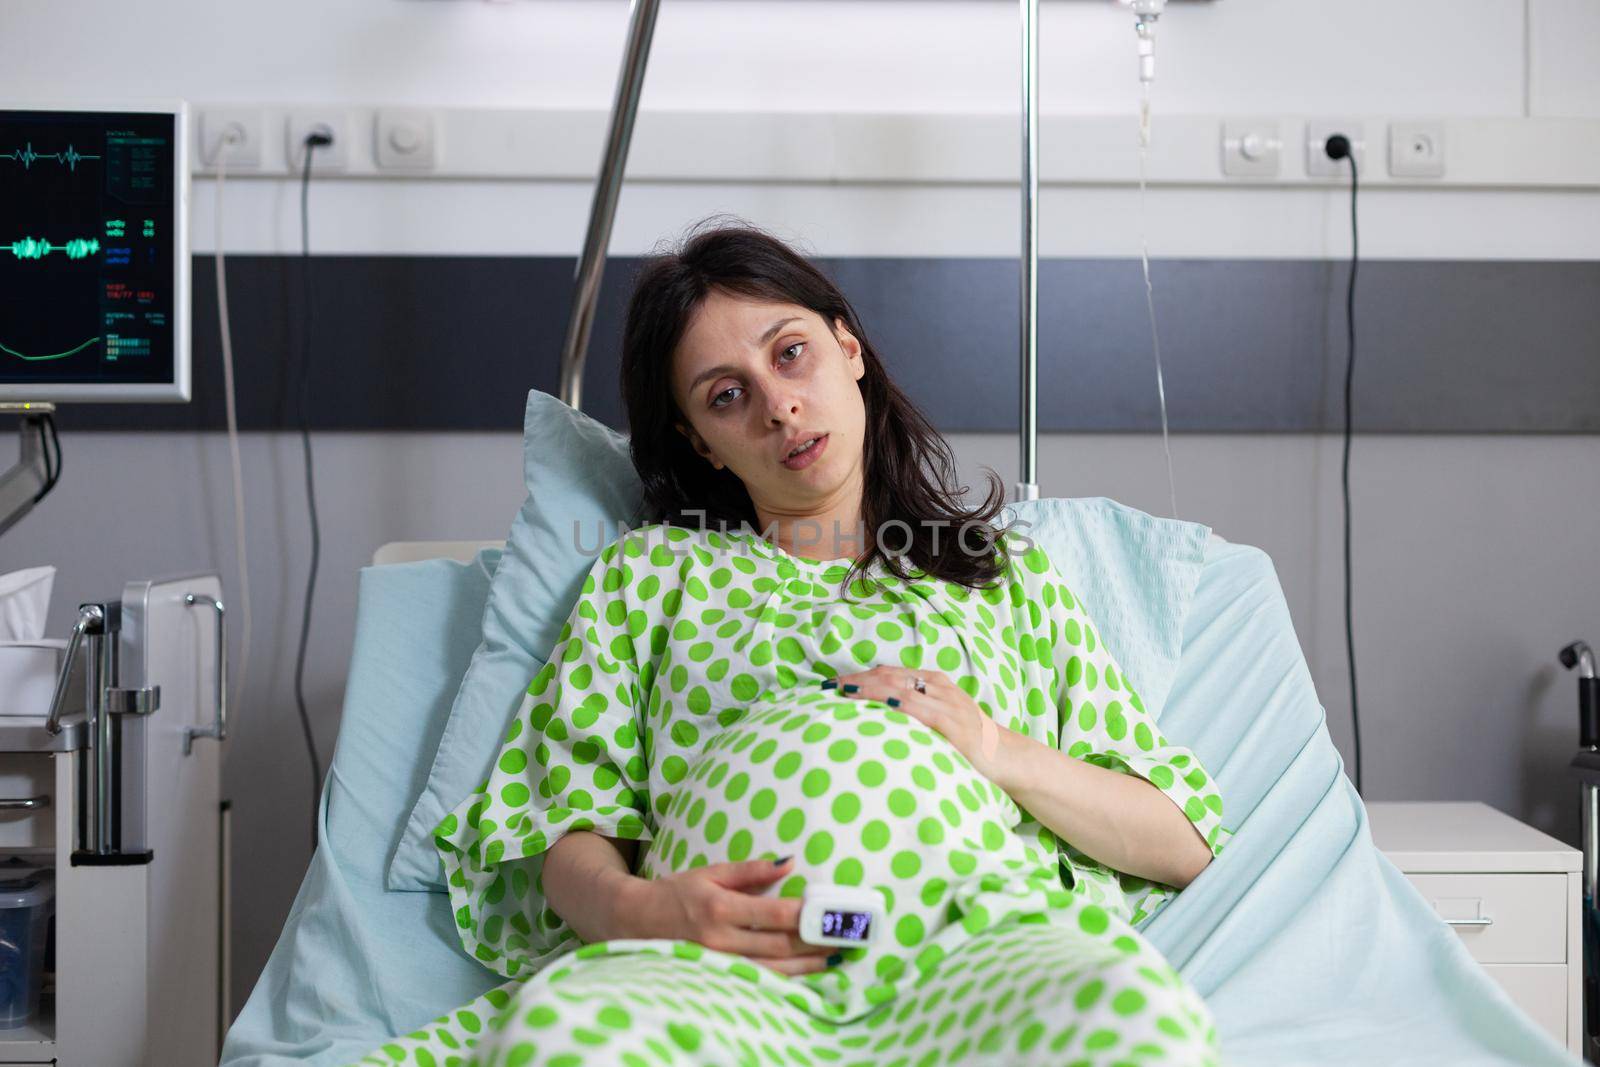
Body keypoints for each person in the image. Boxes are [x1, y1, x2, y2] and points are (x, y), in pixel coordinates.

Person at [356, 217, 1232, 1067]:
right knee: (556, 1043)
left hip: (972, 947)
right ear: (702, 442)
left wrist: (994, 748)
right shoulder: (651, 574)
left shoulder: (1002, 575)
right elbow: (564, 820)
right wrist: (643, 911)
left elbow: (1179, 838)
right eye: (726, 395)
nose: (779, 405)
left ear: (848, 347)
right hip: (705, 970)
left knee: (1140, 1028)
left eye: (790, 352)